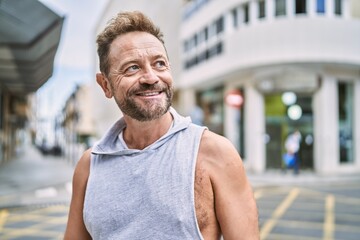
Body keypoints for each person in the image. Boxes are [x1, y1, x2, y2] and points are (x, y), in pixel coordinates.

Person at [64, 11, 259, 240]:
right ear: (105, 85)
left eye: (159, 64)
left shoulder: (215, 153)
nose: (151, 77)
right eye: (132, 68)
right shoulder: (89, 166)